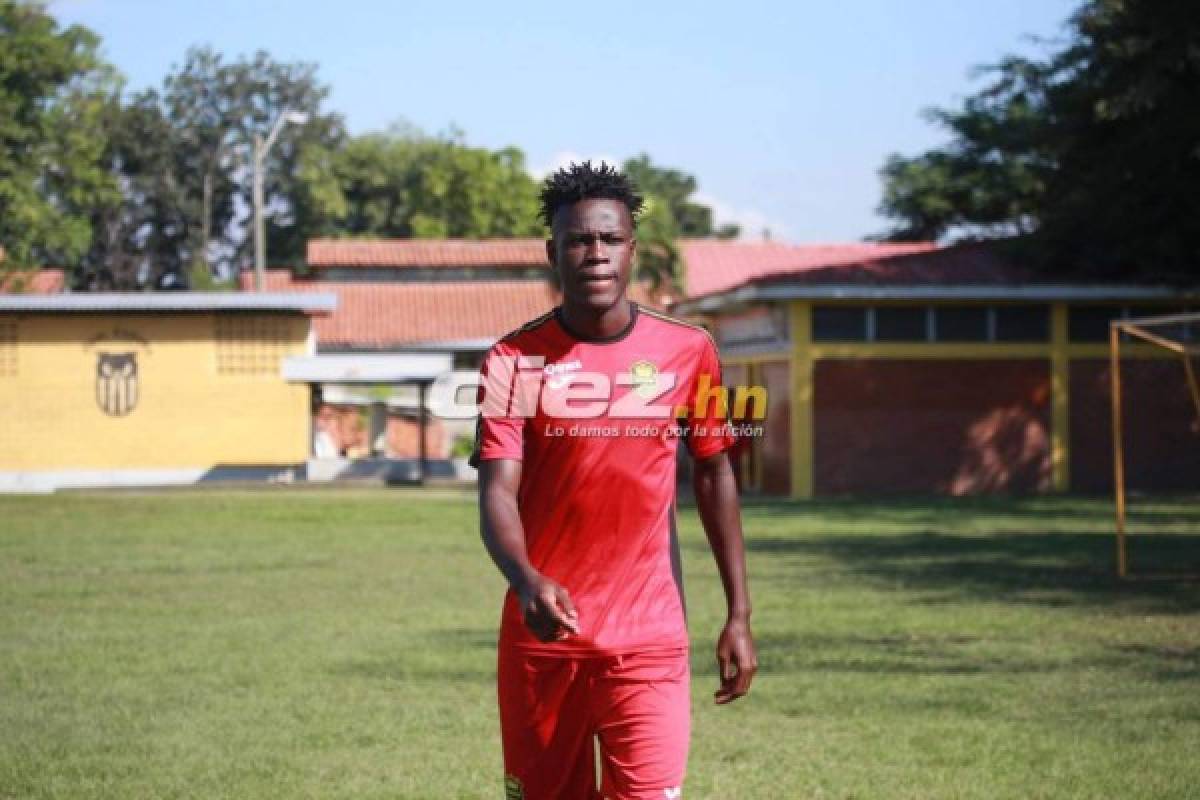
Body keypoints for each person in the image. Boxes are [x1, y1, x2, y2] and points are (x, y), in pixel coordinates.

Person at [471, 161, 756, 799]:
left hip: (650, 639)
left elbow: (714, 474)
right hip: (544, 642)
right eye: (577, 240)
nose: (593, 254)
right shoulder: (513, 361)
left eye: (608, 240)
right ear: (554, 252)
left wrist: (739, 614)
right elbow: (497, 491)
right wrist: (526, 579)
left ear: (632, 250)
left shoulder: (688, 350)